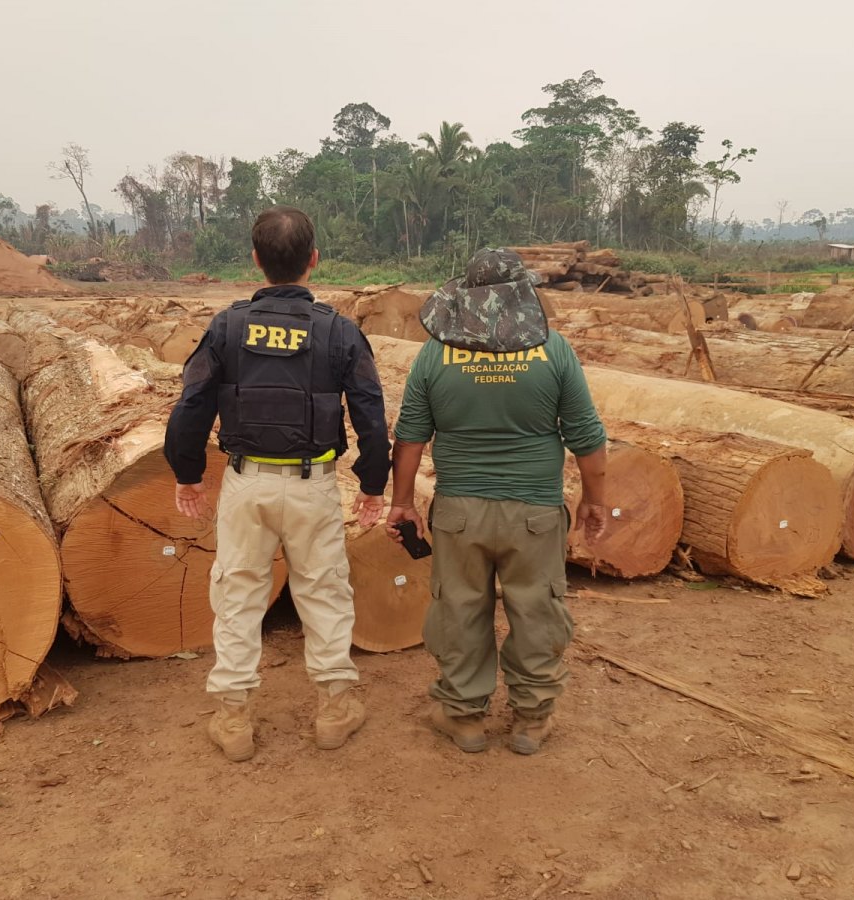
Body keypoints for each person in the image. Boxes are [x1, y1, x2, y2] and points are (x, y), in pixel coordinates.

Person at [165, 206, 390, 762]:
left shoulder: (227, 326)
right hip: (313, 487)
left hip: (247, 485)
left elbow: (191, 404)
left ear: (255, 260)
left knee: (238, 595)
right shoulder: (339, 331)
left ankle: (233, 717)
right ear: (314, 260)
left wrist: (188, 474)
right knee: (324, 592)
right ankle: (335, 709)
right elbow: (370, 410)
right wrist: (372, 483)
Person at [385, 248, 608, 755]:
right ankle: (532, 719)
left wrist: (403, 503)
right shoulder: (554, 350)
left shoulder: (435, 353)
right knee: (537, 610)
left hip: (460, 513)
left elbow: (410, 437)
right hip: (535, 512)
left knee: (460, 608)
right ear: (522, 294)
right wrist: (595, 500)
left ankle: (463, 717)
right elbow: (587, 438)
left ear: (466, 296)